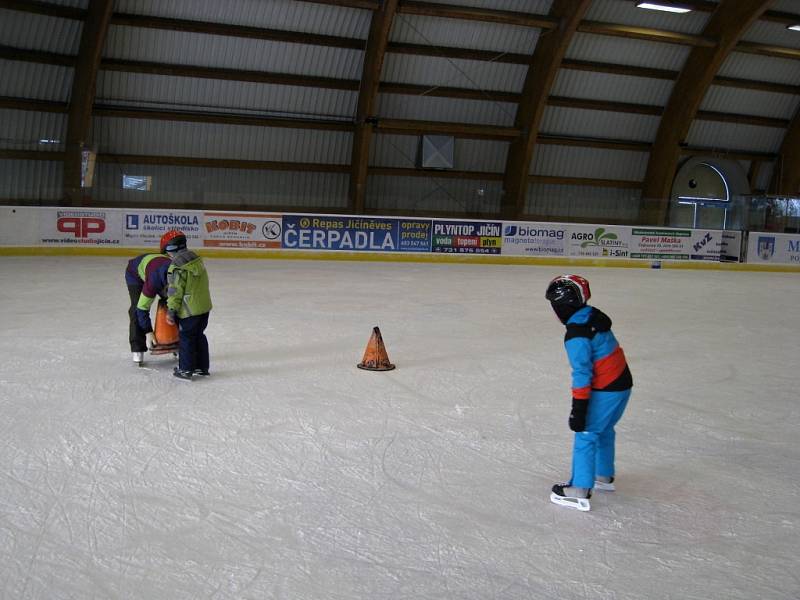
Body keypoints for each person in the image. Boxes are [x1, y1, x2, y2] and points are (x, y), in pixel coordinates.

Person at [545, 274, 632, 512]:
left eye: (554, 306)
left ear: (564, 306)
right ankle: (603, 476)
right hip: (622, 383)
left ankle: (579, 489)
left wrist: (579, 408)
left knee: (586, 433)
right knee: (604, 430)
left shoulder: (577, 335)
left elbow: (582, 373)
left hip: (607, 388)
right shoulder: (591, 315)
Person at [161, 229, 212, 381]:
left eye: (167, 251)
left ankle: (185, 369)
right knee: (199, 336)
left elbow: (175, 291)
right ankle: (201, 367)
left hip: (189, 311)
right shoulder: (196, 260)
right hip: (203, 308)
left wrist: (171, 310)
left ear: (172, 249)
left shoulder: (176, 267)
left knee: (186, 338)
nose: (168, 255)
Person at [124, 246, 171, 365]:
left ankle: (172, 338)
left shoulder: (179, 274)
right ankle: (137, 348)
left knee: (171, 303)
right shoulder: (153, 283)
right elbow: (142, 308)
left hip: (156, 267)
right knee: (136, 307)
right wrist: (148, 332)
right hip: (135, 274)